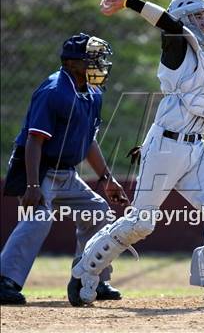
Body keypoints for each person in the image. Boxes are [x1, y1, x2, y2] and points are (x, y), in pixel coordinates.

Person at [70, 0, 204, 307]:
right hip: (166, 146)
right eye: (198, 16)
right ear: (183, 20)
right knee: (142, 223)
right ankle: (84, 270)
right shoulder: (177, 46)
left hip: (196, 149)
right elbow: (166, 22)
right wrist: (128, 1)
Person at [0, 33, 129, 306]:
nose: (100, 65)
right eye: (93, 59)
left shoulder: (93, 93)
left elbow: (89, 140)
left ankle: (92, 277)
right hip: (39, 168)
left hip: (67, 173)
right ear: (72, 63)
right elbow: (35, 141)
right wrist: (33, 185)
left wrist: (107, 178)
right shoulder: (54, 90)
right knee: (38, 217)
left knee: (99, 213)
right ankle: (4, 280)